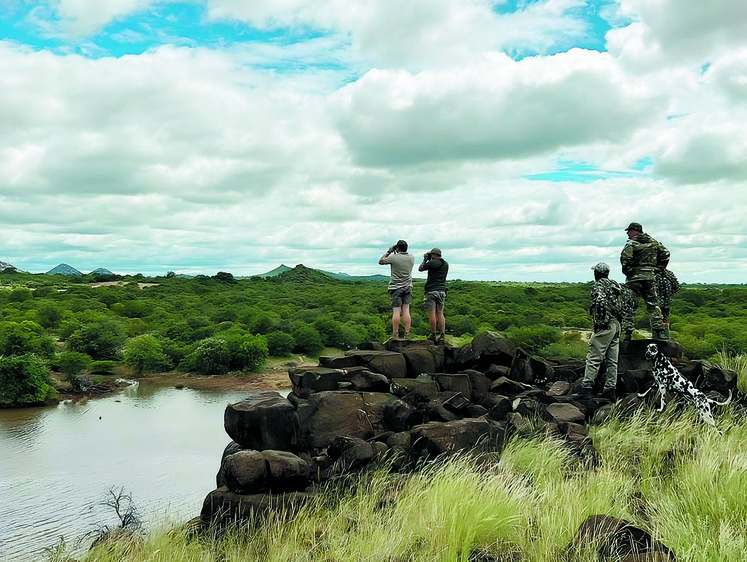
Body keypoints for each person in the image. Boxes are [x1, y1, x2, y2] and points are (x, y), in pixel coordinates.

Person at [576, 262, 630, 402]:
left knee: (594, 356)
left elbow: (600, 302)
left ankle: (587, 387)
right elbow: (627, 303)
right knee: (612, 360)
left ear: (597, 273)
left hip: (606, 324)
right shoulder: (615, 285)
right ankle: (610, 389)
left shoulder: (600, 285)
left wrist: (601, 322)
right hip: (617, 324)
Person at [620, 222, 669, 340]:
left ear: (634, 231)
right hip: (650, 278)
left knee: (630, 305)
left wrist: (628, 271)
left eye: (629, 231)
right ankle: (658, 331)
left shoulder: (631, 243)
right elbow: (666, 254)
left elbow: (625, 259)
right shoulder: (654, 242)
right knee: (653, 304)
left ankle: (627, 333)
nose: (627, 234)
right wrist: (659, 268)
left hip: (634, 279)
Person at [379, 240, 415, 339]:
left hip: (395, 287)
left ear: (397, 248)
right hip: (408, 286)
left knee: (396, 311)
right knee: (406, 310)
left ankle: (395, 334)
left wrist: (389, 252)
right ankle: (407, 334)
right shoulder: (412, 257)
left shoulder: (393, 257)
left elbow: (381, 261)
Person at [418, 247, 449, 342]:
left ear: (432, 255)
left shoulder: (432, 263)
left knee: (432, 314)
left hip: (431, 291)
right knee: (440, 313)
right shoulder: (446, 264)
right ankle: (442, 335)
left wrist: (425, 259)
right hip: (442, 291)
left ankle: (433, 334)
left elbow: (420, 268)